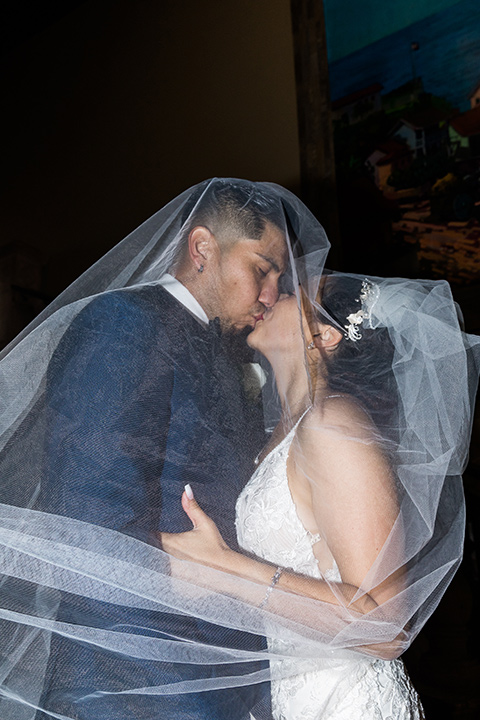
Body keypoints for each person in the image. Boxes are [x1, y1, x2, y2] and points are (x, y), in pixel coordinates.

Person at [0, 178, 330, 720]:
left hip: (214, 679)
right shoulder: (122, 325)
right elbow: (89, 526)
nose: (272, 294)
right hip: (134, 686)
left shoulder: (222, 353)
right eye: (262, 270)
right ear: (203, 249)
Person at [161, 271, 480, 719]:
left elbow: (386, 630)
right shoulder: (278, 435)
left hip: (348, 704)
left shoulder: (334, 423)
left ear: (326, 334)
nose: (269, 293)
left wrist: (223, 567)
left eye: (290, 291)